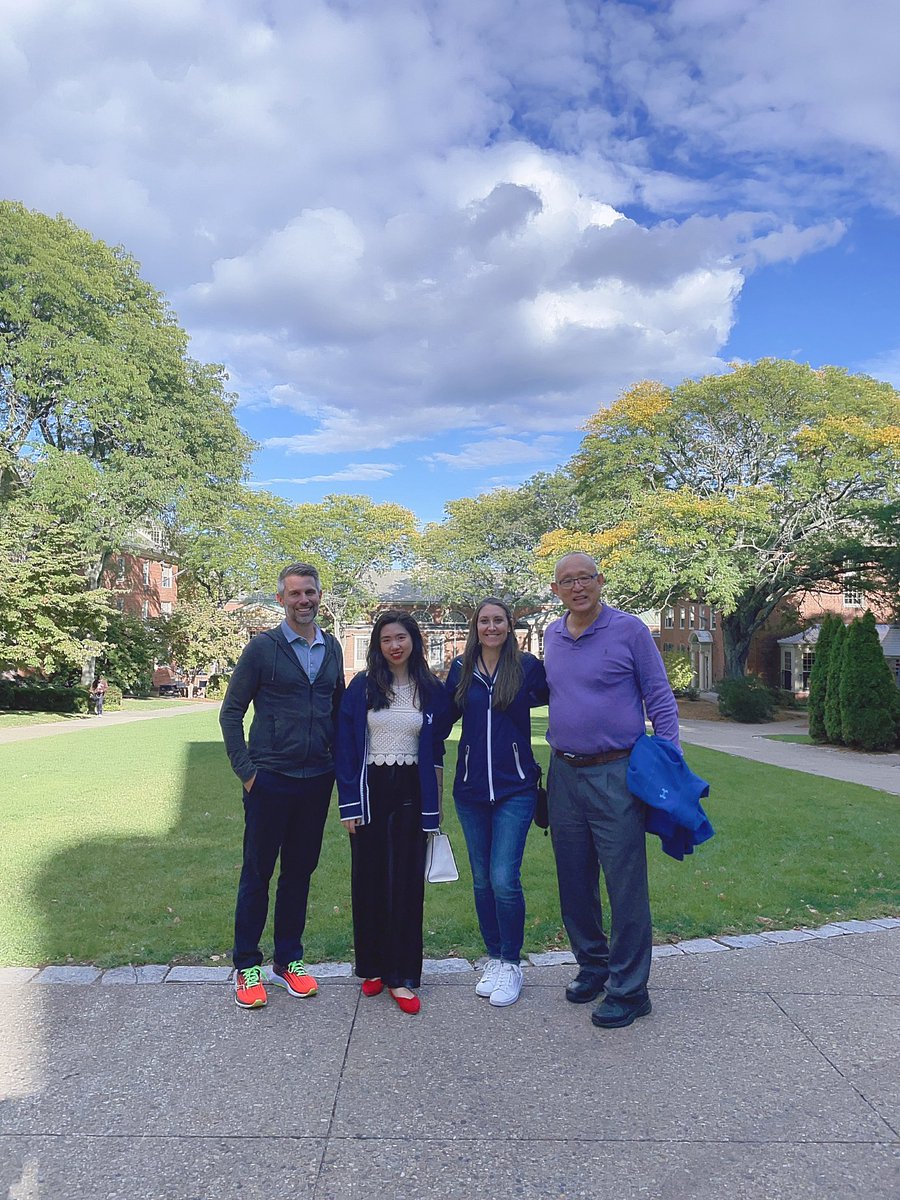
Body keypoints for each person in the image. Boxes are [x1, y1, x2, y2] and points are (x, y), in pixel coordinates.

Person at [544, 552, 680, 1030]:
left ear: (600, 582)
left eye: (585, 578)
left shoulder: (630, 631)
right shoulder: (552, 635)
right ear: (556, 589)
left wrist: (669, 763)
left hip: (615, 773)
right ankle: (593, 966)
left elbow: (660, 697)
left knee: (624, 884)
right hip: (563, 773)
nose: (577, 587)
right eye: (567, 581)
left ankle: (630, 989)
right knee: (574, 882)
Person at [219, 562, 345, 1009]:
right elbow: (231, 713)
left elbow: (338, 711)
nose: (304, 601)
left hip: (316, 781)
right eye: (295, 594)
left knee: (299, 874)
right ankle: (247, 964)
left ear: (319, 596)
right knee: (257, 873)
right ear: (281, 600)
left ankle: (288, 960)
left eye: (310, 593)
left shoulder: (332, 648)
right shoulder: (263, 648)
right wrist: (248, 773)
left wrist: (337, 767)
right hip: (270, 779)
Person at [336, 611, 446, 1015]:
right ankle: (373, 969)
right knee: (368, 882)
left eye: (401, 638)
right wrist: (349, 803)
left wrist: (435, 806)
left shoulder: (430, 690)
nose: (394, 646)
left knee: (405, 885)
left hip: (411, 794)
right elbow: (346, 746)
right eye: (386, 640)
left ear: (413, 641)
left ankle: (402, 976)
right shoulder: (363, 687)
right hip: (370, 792)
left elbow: (439, 742)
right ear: (377, 646)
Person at [443, 598, 547, 1007]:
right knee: (482, 879)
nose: (491, 627)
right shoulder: (460, 670)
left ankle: (511, 962)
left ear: (510, 626)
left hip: (515, 788)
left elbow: (566, 697)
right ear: (476, 626)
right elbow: (438, 718)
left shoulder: (528, 669)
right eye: (484, 621)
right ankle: (493, 957)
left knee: (505, 877)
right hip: (470, 790)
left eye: (498, 621)